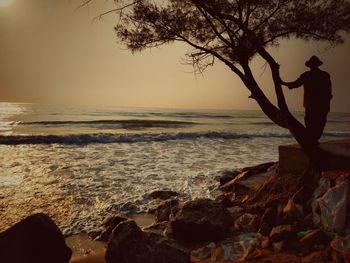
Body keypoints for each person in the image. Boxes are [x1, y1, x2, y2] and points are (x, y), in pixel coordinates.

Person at [281, 56, 332, 146]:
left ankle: (313, 141)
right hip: (317, 105)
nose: (313, 66)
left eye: (313, 64)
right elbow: (295, 84)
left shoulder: (312, 75)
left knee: (313, 123)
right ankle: (313, 141)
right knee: (316, 123)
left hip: (314, 104)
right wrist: (284, 83)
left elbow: (328, 92)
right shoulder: (322, 75)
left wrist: (284, 83)